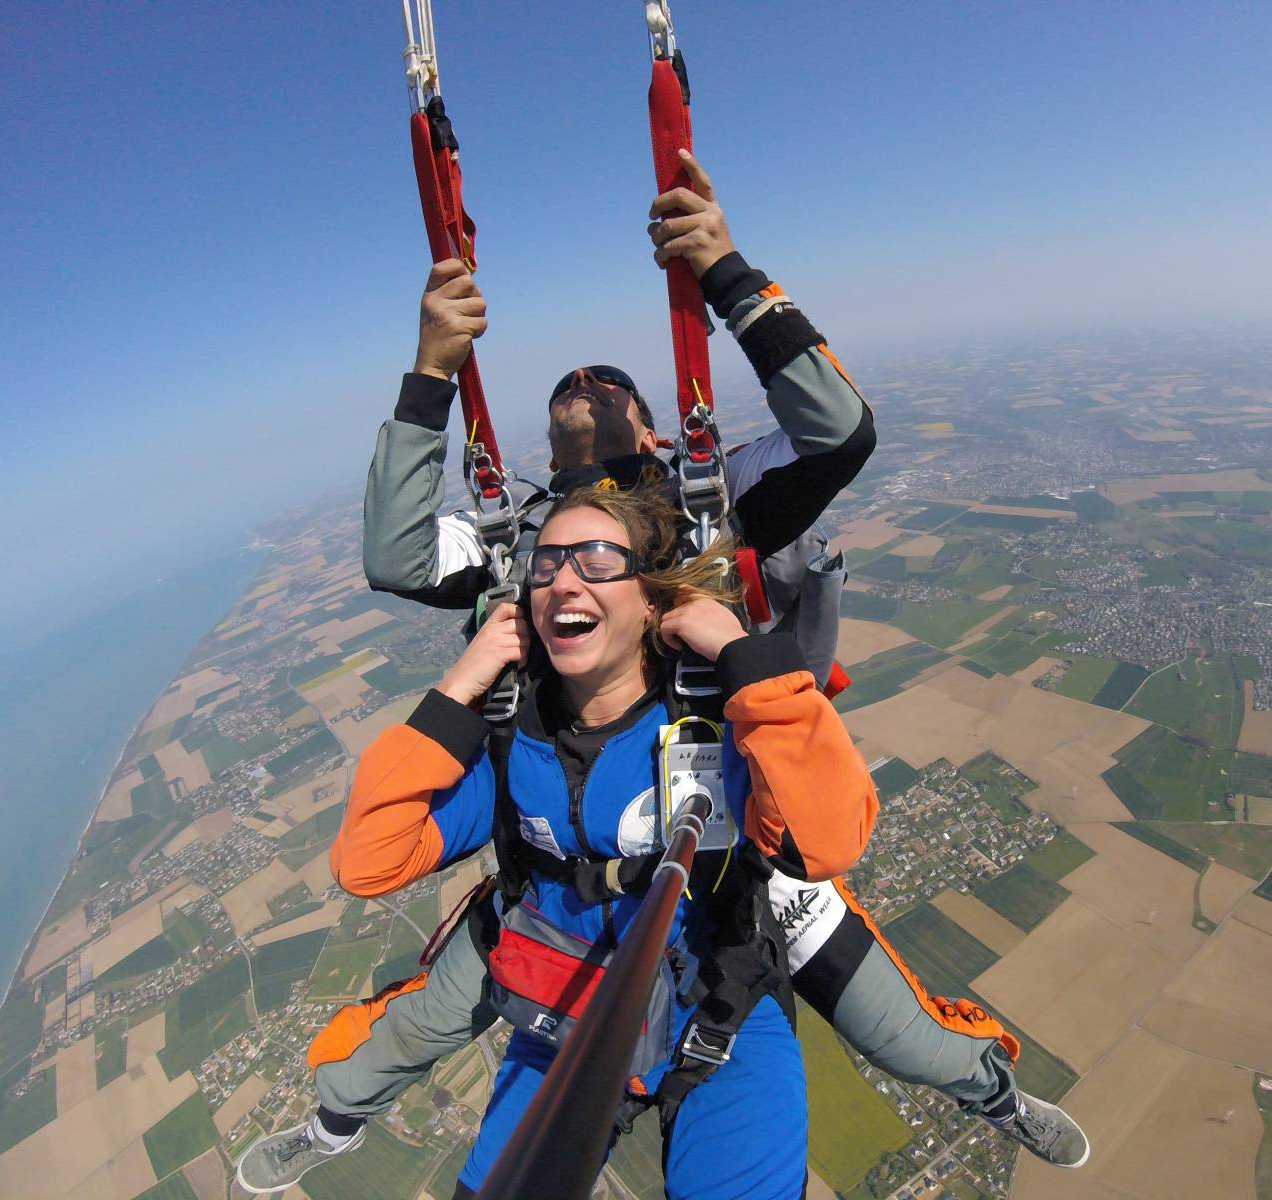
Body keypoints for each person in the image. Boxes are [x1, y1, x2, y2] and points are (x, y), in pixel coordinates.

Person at [237, 154, 1087, 1195]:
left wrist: (725, 273)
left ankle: (993, 1096)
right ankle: (331, 1123)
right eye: (567, 407)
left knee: (901, 1034)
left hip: (729, 841)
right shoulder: (523, 546)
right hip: (559, 841)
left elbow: (838, 432)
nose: (583, 396)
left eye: (608, 395)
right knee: (409, 1030)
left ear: (652, 432)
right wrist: (427, 375)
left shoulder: (710, 511)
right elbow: (397, 558)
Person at [343, 486, 874, 1197]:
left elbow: (830, 838)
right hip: (560, 1023)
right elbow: (368, 859)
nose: (563, 578)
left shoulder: (711, 724)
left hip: (721, 1014)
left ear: (652, 601)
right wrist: (460, 685)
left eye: (596, 559)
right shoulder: (510, 742)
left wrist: (738, 653)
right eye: (548, 562)